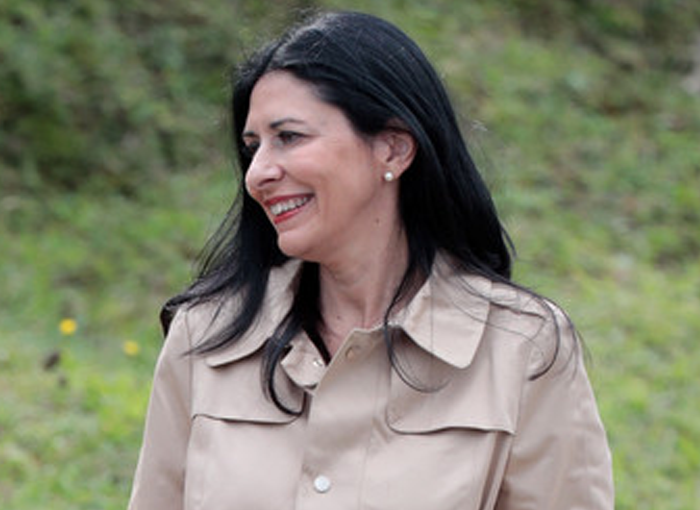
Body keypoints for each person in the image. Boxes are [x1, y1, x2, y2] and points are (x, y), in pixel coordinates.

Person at [128, 10, 614, 510]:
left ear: (393, 150)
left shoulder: (521, 348)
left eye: (289, 137)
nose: (257, 174)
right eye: (253, 148)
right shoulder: (205, 337)